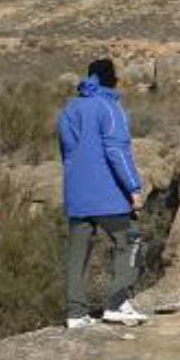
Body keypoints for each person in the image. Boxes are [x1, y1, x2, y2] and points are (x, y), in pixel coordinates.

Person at [58, 58, 148, 329]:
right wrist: (133, 188)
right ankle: (118, 303)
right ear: (113, 79)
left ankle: (75, 313)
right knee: (130, 238)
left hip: (77, 193)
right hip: (108, 194)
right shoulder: (110, 108)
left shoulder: (70, 108)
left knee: (77, 253)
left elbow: (67, 151)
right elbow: (117, 151)